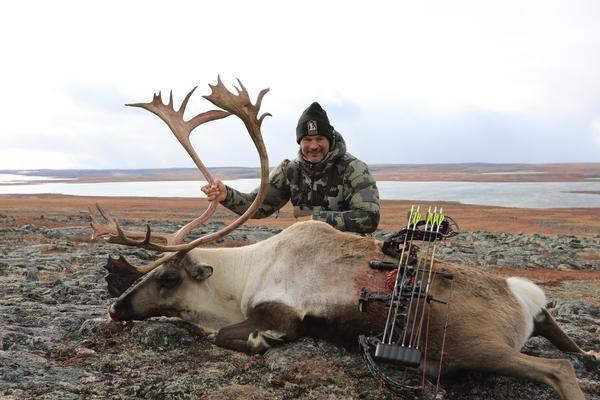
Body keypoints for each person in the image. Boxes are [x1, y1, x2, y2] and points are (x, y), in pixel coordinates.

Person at [202, 102, 380, 234]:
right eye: (307, 140)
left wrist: (315, 221)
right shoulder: (289, 170)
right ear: (300, 142)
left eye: (320, 139)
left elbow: (369, 217)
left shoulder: (354, 169)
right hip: (305, 247)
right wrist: (227, 195)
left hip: (347, 249)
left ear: (330, 140)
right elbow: (260, 206)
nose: (314, 146)